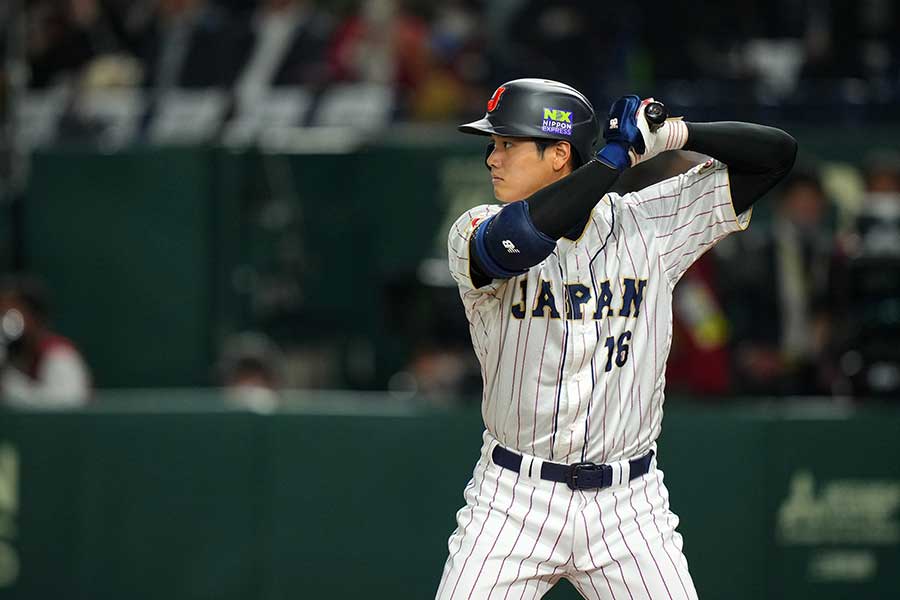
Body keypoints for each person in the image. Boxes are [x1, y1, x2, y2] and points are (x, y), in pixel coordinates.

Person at [437, 79, 796, 598]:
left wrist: (674, 134)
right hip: (512, 499)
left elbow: (777, 157)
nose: (491, 157)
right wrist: (613, 160)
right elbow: (516, 245)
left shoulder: (649, 224)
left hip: (628, 507)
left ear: (559, 153)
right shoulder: (475, 226)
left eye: (507, 143)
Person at [0, 276, 91, 409]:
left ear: (34, 315)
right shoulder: (12, 353)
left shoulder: (59, 354)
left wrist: (8, 386)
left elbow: (68, 405)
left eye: (10, 312)